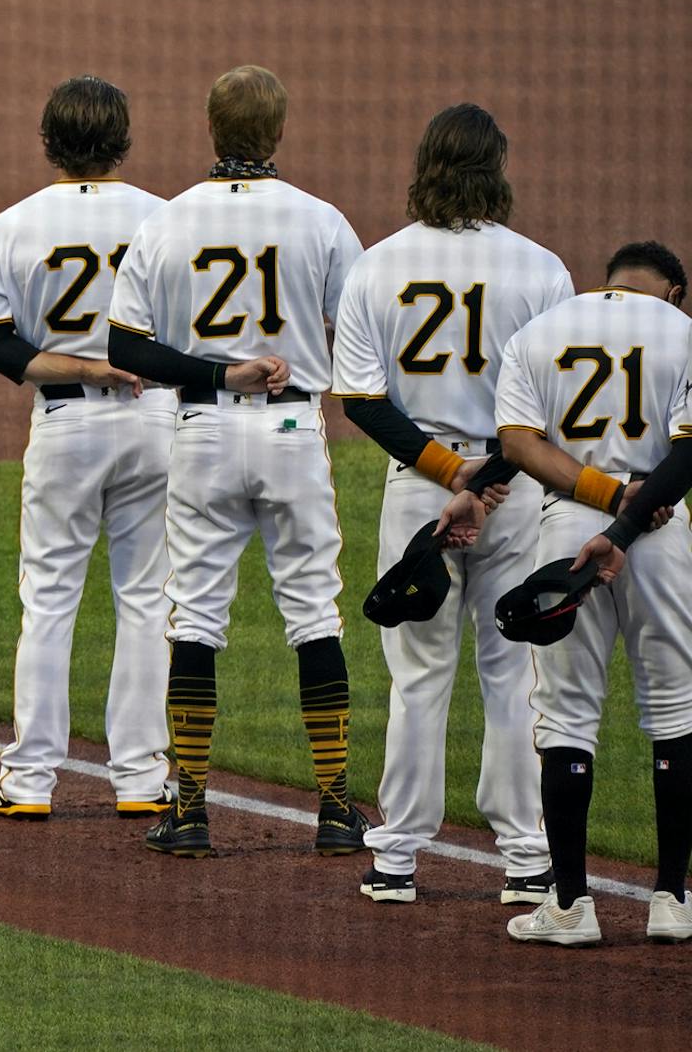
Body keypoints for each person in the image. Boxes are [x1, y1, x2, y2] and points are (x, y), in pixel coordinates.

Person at [106, 65, 365, 857]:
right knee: (314, 612)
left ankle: (186, 809)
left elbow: (123, 347)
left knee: (195, 616)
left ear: (211, 130)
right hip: (292, 432)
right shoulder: (320, 220)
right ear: (278, 132)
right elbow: (357, 335)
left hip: (204, 433)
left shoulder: (168, 220)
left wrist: (218, 372)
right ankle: (334, 807)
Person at [328, 104, 570, 904]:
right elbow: (550, 409)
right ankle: (527, 857)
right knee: (512, 674)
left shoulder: (378, 263)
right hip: (517, 492)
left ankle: (395, 857)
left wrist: (450, 474)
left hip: (420, 491)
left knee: (419, 676)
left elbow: (360, 398)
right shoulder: (541, 269)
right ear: (495, 170)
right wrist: (490, 477)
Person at [0, 76, 174, 819]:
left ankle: (28, 781)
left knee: (49, 600)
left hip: (65, 426)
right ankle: (144, 780)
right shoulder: (164, 219)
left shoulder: (15, 223)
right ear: (122, 142)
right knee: (146, 599)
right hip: (154, 420)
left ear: (50, 142)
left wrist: (81, 366)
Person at [485, 242, 692, 945]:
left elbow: (516, 443)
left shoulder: (541, 329)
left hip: (567, 528)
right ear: (674, 289)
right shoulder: (682, 330)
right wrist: (632, 517)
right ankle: (671, 900)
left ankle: (571, 907)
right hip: (660, 529)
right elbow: (689, 453)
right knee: (674, 707)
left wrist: (602, 503)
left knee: (567, 715)